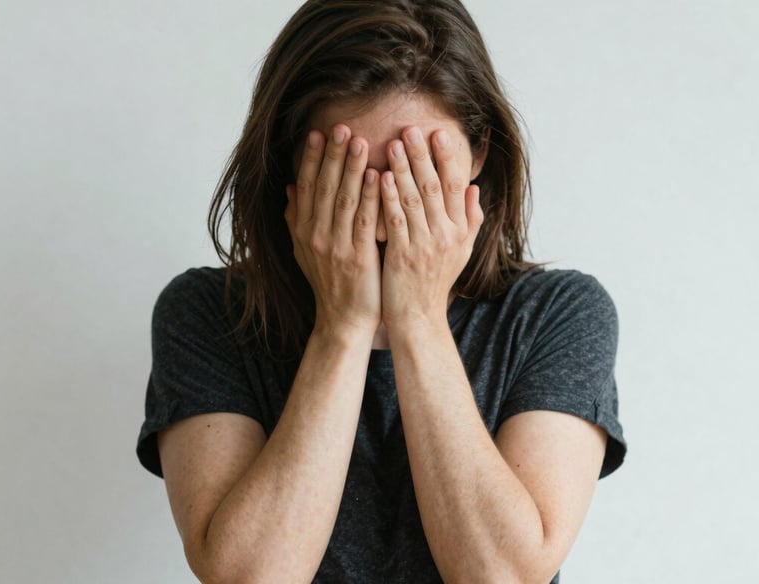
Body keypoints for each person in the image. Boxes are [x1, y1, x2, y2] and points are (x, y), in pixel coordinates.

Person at [136, 1, 626, 582]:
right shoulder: (208, 314)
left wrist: (418, 317)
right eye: (348, 172)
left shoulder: (557, 316)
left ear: (479, 153)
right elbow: (251, 576)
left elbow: (502, 575)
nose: (386, 210)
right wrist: (342, 326)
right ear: (291, 165)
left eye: (418, 170)